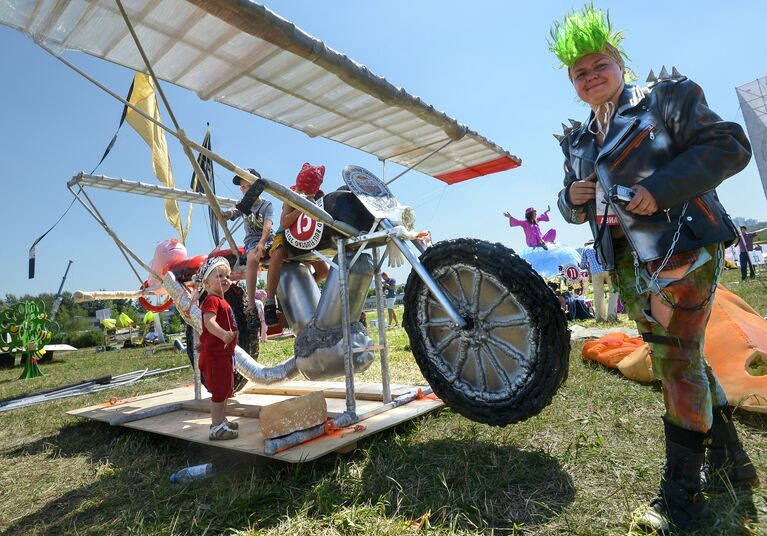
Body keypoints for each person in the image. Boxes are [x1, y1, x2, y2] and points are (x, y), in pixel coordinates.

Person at [550, 5, 755, 532]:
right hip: (625, 264)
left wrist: (658, 189)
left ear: (620, 63)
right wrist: (570, 199)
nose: (591, 77)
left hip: (681, 248)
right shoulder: (578, 140)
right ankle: (733, 463)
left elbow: (729, 145)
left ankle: (683, 500)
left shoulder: (665, 99)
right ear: (571, 83)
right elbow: (572, 207)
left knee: (677, 363)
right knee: (682, 359)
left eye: (599, 65)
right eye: (579, 73)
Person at [264, 163, 329, 325]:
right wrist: (302, 207)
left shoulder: (318, 199)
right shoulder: (291, 197)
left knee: (324, 271)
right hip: (286, 236)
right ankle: (270, 301)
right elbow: (284, 223)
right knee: (277, 255)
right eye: (303, 191)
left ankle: (303, 292)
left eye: (308, 192)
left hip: (305, 241)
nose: (305, 194)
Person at [192, 257, 239, 441]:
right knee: (219, 392)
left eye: (227, 275)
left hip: (223, 355)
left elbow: (208, 330)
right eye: (219, 275)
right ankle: (216, 427)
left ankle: (221, 420)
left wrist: (204, 343)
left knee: (225, 389)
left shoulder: (222, 301)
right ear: (206, 282)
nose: (225, 279)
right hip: (217, 357)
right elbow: (209, 322)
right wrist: (223, 335)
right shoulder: (212, 300)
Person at [222, 168, 274, 312]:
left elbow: (267, 225)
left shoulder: (266, 205)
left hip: (267, 238)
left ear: (257, 187)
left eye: (248, 186)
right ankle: (251, 306)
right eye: (243, 187)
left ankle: (271, 300)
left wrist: (263, 242)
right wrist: (226, 214)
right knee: (252, 258)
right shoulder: (243, 204)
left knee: (278, 253)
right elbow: (234, 212)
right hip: (251, 241)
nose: (245, 190)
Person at [580, 240, 618, 322]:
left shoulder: (586, 249)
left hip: (595, 273)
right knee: (613, 291)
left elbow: (582, 265)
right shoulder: (602, 245)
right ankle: (612, 316)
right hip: (608, 269)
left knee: (598, 295)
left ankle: (600, 318)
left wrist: (588, 266)